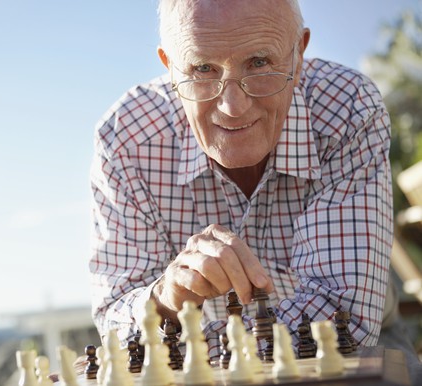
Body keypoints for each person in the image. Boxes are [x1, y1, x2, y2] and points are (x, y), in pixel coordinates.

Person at [89, 0, 421, 382]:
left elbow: (343, 314)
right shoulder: (126, 139)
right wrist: (165, 299)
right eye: (202, 68)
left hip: (362, 348)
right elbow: (115, 325)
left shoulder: (346, 107)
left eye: (259, 62)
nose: (233, 106)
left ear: (298, 55)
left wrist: (190, 347)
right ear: (170, 67)